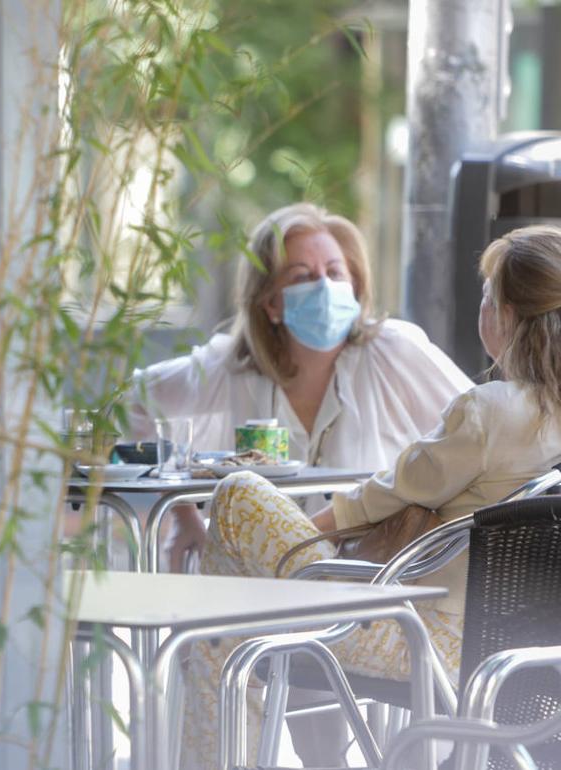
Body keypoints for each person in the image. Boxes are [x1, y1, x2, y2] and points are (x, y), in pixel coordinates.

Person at [178, 224, 561, 770]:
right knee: (230, 622)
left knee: (238, 498)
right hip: (515, 648)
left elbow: (380, 497)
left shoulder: (490, 410)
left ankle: (214, 748)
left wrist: (292, 545)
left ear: (505, 315)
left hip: (418, 639)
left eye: (485, 297)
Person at [128, 202, 473, 764]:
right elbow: (135, 402)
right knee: (230, 610)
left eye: (335, 273)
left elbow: (479, 430)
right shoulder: (231, 367)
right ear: (270, 301)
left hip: (372, 579)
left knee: (227, 570)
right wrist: (185, 519)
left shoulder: (393, 351)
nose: (326, 287)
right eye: (303, 276)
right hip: (280, 587)